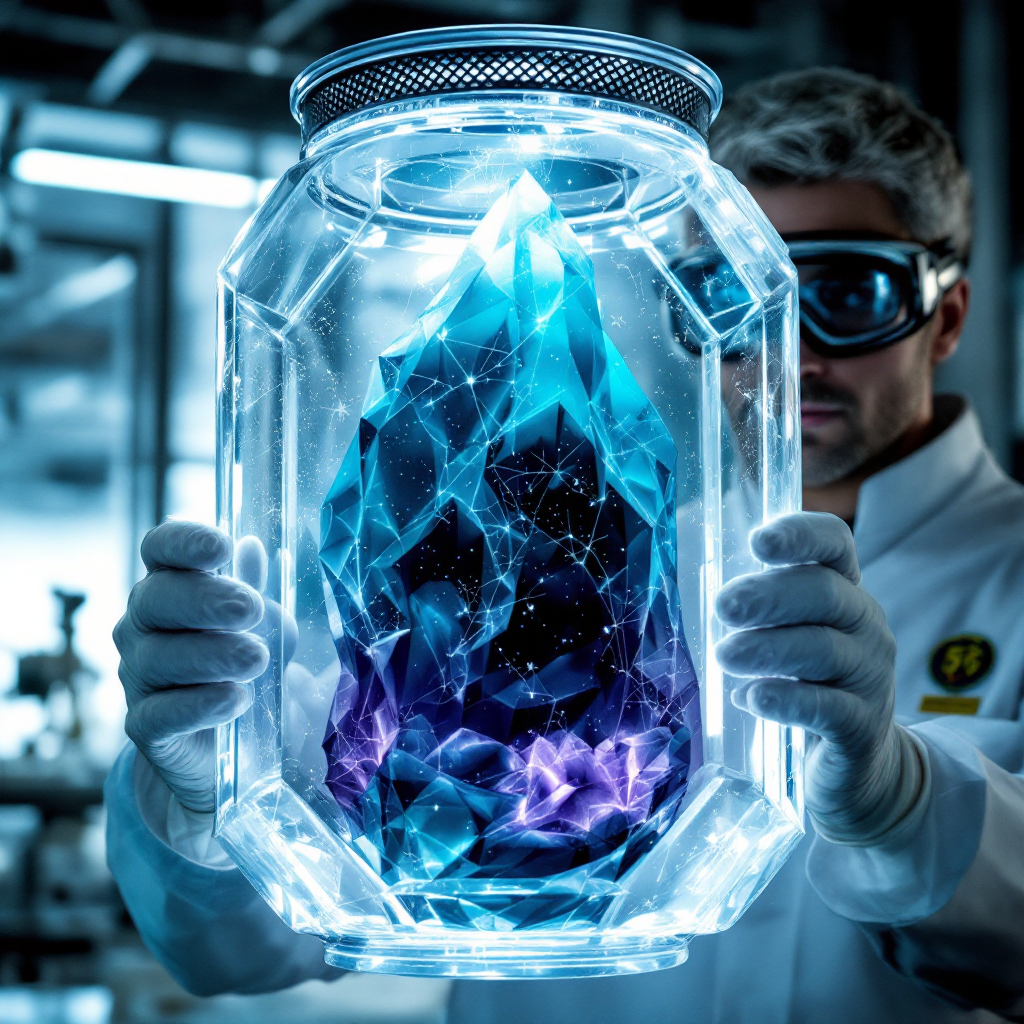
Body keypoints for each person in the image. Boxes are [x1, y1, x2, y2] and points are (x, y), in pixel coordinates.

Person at [105, 68, 1024, 1022]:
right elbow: (234, 957)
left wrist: (904, 803)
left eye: (848, 292)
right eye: (741, 293)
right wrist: (214, 811)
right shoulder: (619, 551)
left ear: (947, 312)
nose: (794, 353)